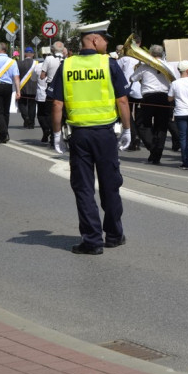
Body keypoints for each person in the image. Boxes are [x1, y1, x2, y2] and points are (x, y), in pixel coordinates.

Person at [50, 20, 131, 255]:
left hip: (79, 135)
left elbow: (57, 103)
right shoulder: (109, 64)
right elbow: (122, 100)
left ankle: (92, 241)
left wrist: (56, 134)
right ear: (95, 39)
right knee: (110, 185)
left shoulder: (67, 65)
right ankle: (114, 235)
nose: (107, 43)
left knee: (84, 188)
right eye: (105, 39)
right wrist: (127, 129)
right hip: (105, 134)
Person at [130, 44, 173, 165]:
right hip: (164, 97)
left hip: (149, 98)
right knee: (161, 126)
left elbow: (132, 78)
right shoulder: (168, 66)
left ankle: (153, 148)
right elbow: (173, 80)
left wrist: (139, 71)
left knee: (143, 124)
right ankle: (157, 153)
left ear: (150, 54)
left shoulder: (145, 66)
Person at [167, 60, 188, 170]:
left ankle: (185, 161)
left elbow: (169, 98)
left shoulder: (175, 83)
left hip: (180, 112)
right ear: (187, 70)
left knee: (183, 136)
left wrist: (177, 96)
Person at [117, 38, 142, 151]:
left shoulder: (125, 59)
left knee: (127, 114)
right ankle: (136, 136)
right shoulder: (143, 57)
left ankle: (134, 135)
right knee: (138, 116)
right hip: (140, 89)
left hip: (127, 88)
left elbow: (117, 71)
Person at [39, 41, 65, 146]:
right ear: (63, 50)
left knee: (50, 113)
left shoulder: (49, 59)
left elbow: (42, 75)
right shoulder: (66, 60)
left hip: (51, 88)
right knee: (62, 112)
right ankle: (61, 134)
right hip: (64, 88)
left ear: (53, 50)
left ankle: (53, 135)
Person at [17, 47, 39, 129]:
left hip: (22, 87)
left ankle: (26, 118)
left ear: (25, 54)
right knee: (32, 106)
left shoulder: (19, 63)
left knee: (22, 104)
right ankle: (31, 123)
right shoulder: (37, 63)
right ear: (33, 54)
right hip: (33, 88)